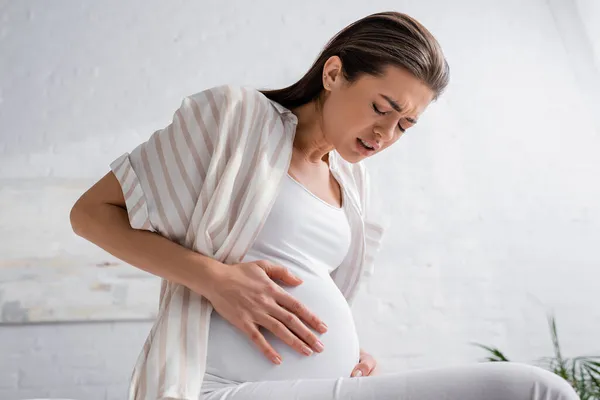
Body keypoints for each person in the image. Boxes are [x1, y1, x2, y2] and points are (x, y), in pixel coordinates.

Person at [70, 11, 580, 400]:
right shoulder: (236, 118)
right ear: (334, 74)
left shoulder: (353, 184)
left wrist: (348, 351)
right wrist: (213, 278)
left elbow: (311, 294)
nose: (385, 134)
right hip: (218, 385)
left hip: (317, 386)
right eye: (383, 108)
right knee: (538, 392)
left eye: (405, 126)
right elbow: (90, 213)